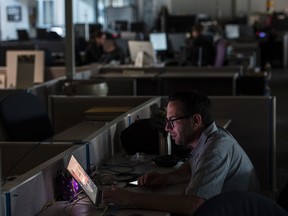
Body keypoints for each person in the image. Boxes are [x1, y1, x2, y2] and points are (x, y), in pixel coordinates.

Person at [102, 89, 259, 215]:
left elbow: (194, 205)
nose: (167, 128)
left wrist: (130, 198)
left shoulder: (214, 150)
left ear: (196, 120)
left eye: (173, 121)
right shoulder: (212, 136)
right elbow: (193, 166)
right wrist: (167, 178)